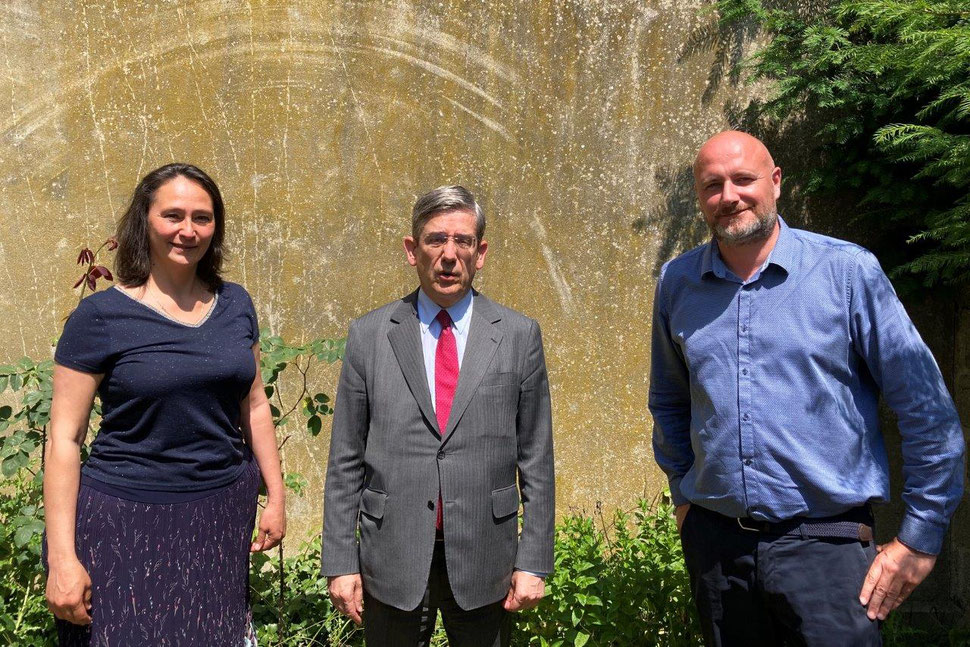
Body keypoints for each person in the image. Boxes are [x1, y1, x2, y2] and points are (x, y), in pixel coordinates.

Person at [649, 131, 965, 646]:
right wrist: (685, 499)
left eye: (743, 179)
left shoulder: (845, 273)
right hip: (719, 555)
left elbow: (926, 408)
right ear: (699, 198)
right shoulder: (677, 283)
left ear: (776, 183)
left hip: (830, 553)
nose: (729, 196)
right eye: (712, 185)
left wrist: (920, 539)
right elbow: (668, 400)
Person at [43, 163, 286, 645]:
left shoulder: (236, 303)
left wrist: (275, 495)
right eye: (172, 215)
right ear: (144, 221)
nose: (188, 230)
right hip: (124, 520)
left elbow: (255, 404)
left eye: (203, 217)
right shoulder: (101, 316)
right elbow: (64, 439)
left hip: (218, 516)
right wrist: (62, 558)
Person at [322, 185, 555, 646]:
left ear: (480, 252)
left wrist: (533, 561)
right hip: (392, 556)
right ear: (412, 250)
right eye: (435, 240)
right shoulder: (370, 335)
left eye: (463, 241)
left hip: (487, 558)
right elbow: (345, 458)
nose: (449, 255)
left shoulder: (518, 335)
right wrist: (341, 561)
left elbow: (536, 458)